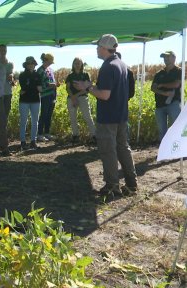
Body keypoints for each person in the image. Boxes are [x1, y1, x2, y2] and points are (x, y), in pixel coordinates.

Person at [74, 34, 137, 197]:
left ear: (103, 48)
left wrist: (87, 88)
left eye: (97, 46)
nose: (96, 49)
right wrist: (91, 86)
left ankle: (112, 186)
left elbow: (105, 95)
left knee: (108, 151)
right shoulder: (121, 64)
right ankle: (131, 183)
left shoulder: (108, 67)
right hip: (121, 116)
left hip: (108, 117)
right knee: (123, 148)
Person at [151, 50, 182, 142]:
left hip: (174, 104)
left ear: (174, 58)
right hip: (160, 105)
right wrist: (165, 93)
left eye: (167, 57)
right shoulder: (159, 73)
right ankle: (163, 152)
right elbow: (153, 88)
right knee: (161, 130)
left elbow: (176, 84)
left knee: (176, 127)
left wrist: (161, 85)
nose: (165, 59)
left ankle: (176, 150)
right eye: (164, 57)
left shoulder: (179, 70)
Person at [65, 57, 96, 143]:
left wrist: (76, 96)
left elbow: (87, 88)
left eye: (79, 63)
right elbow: (67, 88)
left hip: (82, 97)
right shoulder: (70, 76)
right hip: (71, 98)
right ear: (73, 65)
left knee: (87, 116)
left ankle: (94, 135)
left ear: (82, 64)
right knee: (73, 118)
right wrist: (73, 97)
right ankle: (75, 135)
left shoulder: (86, 75)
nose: (77, 65)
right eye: (76, 63)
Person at [18, 56, 42, 150]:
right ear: (26, 65)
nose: (31, 65)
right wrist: (35, 87)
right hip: (24, 101)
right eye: (29, 63)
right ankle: (23, 142)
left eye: (32, 63)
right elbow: (24, 87)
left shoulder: (37, 75)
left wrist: (30, 88)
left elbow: (39, 88)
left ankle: (33, 141)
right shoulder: (22, 75)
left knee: (35, 121)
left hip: (35, 100)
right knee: (23, 121)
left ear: (34, 64)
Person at [37, 53, 57, 141]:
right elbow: (40, 85)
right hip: (45, 95)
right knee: (44, 114)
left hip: (52, 94)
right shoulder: (40, 70)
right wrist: (52, 85)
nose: (50, 64)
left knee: (49, 114)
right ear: (46, 60)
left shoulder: (51, 70)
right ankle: (40, 134)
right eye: (50, 62)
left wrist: (54, 85)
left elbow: (53, 82)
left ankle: (47, 133)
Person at [0, 44, 15, 121]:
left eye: (4, 50)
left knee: (6, 115)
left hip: (8, 93)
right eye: (1, 50)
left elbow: (10, 80)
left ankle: (3, 132)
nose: (2, 52)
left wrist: (11, 78)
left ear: (6, 51)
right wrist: (5, 76)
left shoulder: (10, 64)